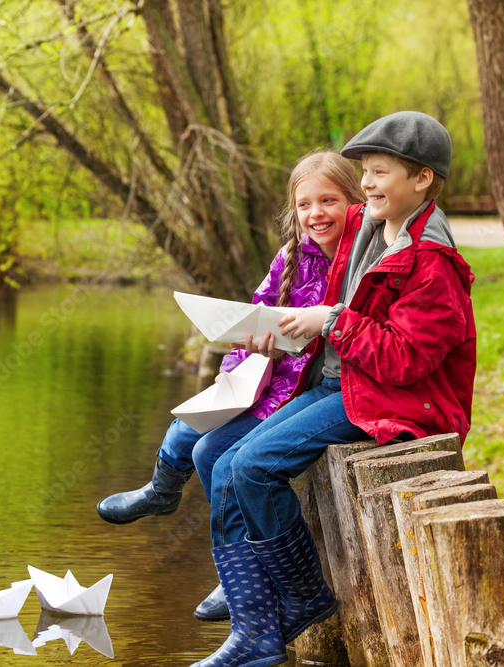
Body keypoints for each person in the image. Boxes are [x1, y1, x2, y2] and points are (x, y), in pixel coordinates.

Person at [192, 111, 477, 667]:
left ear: (421, 180)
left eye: (379, 172)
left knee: (252, 468)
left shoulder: (432, 264)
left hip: (395, 401)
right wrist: (275, 332)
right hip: (343, 384)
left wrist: (331, 322)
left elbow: (406, 359)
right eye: (364, 172)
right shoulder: (372, 228)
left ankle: (298, 599)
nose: (365, 184)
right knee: (221, 456)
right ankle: (255, 619)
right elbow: (316, 257)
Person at [94, 150, 365, 621]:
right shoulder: (292, 257)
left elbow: (340, 343)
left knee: (208, 452)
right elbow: (254, 314)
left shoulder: (356, 262)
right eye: (304, 204)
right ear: (292, 211)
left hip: (301, 389)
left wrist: (293, 345)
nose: (315, 213)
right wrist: (240, 358)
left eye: (328, 201)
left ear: (353, 201)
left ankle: (244, 573)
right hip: (265, 377)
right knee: (189, 429)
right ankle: (166, 494)